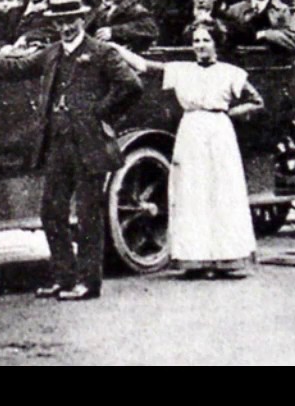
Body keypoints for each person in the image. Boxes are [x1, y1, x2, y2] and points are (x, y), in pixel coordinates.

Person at [0, 0, 143, 301]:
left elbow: (131, 85)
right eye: (59, 22)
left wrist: (101, 113)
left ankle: (88, 283)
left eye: (71, 21)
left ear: (82, 20)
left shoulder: (101, 52)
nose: (65, 27)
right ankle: (63, 278)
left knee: (88, 215)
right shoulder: (53, 52)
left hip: (89, 144)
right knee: (51, 212)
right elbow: (19, 66)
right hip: (58, 143)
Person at [110, 19, 265, 278]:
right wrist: (116, 48)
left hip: (219, 131)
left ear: (216, 43)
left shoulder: (231, 72)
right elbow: (144, 65)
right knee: (191, 190)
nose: (200, 46)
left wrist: (230, 113)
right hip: (191, 130)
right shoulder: (182, 70)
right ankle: (196, 258)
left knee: (221, 190)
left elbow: (257, 101)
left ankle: (224, 258)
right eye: (196, 41)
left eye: (206, 40)